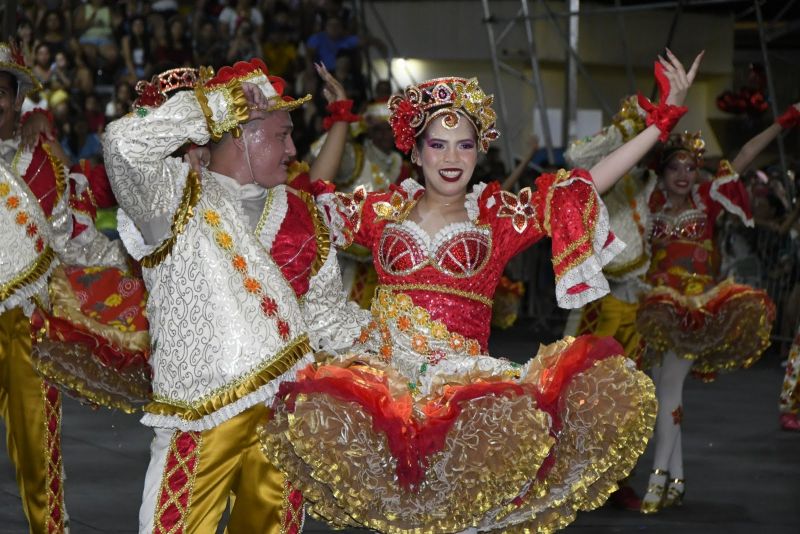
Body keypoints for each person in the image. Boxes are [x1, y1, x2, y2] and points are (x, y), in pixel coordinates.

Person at [262, 51, 703, 532]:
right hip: (384, 393)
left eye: (464, 146)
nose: (452, 159)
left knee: (463, 520)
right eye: (438, 144)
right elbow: (310, 196)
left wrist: (661, 123)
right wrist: (341, 118)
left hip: (466, 401)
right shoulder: (383, 211)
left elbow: (585, 183)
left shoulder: (498, 216)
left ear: (479, 152)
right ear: (415, 151)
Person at [103, 58, 369, 533]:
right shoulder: (174, 194)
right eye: (280, 135)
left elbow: (327, 315)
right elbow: (122, 147)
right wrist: (217, 105)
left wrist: (391, 348)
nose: (292, 148)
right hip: (199, 415)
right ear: (239, 134)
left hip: (284, 416)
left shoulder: (301, 212)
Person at [634, 108, 797, 511]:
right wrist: (655, 121)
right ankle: (678, 478)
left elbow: (743, 155)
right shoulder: (648, 203)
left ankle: (657, 481)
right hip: (653, 308)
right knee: (663, 392)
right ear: (662, 171)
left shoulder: (708, 199)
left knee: (669, 385)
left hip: (694, 310)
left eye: (691, 167)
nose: (684, 175)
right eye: (675, 167)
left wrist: (785, 121)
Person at [0, 41, 126, 534]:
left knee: (38, 447)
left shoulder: (43, 164)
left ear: (14, 100)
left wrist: (132, 270)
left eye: (2, 93)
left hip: (30, 320)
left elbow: (72, 239)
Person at [309, 99, 414, 307]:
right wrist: (353, 123)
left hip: (384, 264)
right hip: (346, 260)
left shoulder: (400, 165)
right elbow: (319, 154)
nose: (386, 136)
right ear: (370, 131)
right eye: (380, 130)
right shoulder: (353, 157)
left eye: (390, 130)